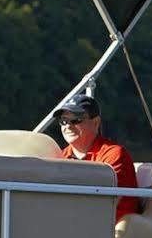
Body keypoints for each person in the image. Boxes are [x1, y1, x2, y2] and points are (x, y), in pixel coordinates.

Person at [53, 91, 140, 220]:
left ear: (96, 123)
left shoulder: (114, 155)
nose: (68, 126)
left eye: (76, 120)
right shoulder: (60, 156)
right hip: (77, 224)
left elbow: (105, 203)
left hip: (112, 229)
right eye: (64, 121)